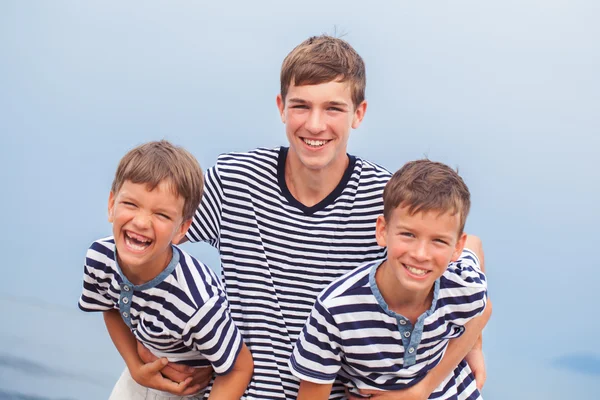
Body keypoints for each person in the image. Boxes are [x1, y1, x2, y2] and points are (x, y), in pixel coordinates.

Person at [120, 35, 488, 399]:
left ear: (358, 114)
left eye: (333, 108)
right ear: (281, 107)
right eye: (301, 106)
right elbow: (146, 237)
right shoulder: (235, 179)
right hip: (240, 387)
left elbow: (465, 246)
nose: (315, 125)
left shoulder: (385, 196)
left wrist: (471, 345)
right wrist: (142, 342)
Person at [290, 159, 491, 400]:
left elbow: (481, 291)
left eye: (439, 241)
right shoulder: (336, 310)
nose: (420, 254)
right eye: (408, 234)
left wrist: (474, 346)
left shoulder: (464, 284)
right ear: (382, 230)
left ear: (456, 247)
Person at [78, 140, 253, 400]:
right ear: (111, 204)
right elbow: (111, 307)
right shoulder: (100, 258)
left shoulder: (195, 300)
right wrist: (136, 368)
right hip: (140, 374)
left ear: (182, 228)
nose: (141, 222)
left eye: (161, 214)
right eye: (131, 204)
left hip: (190, 390)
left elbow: (240, 366)